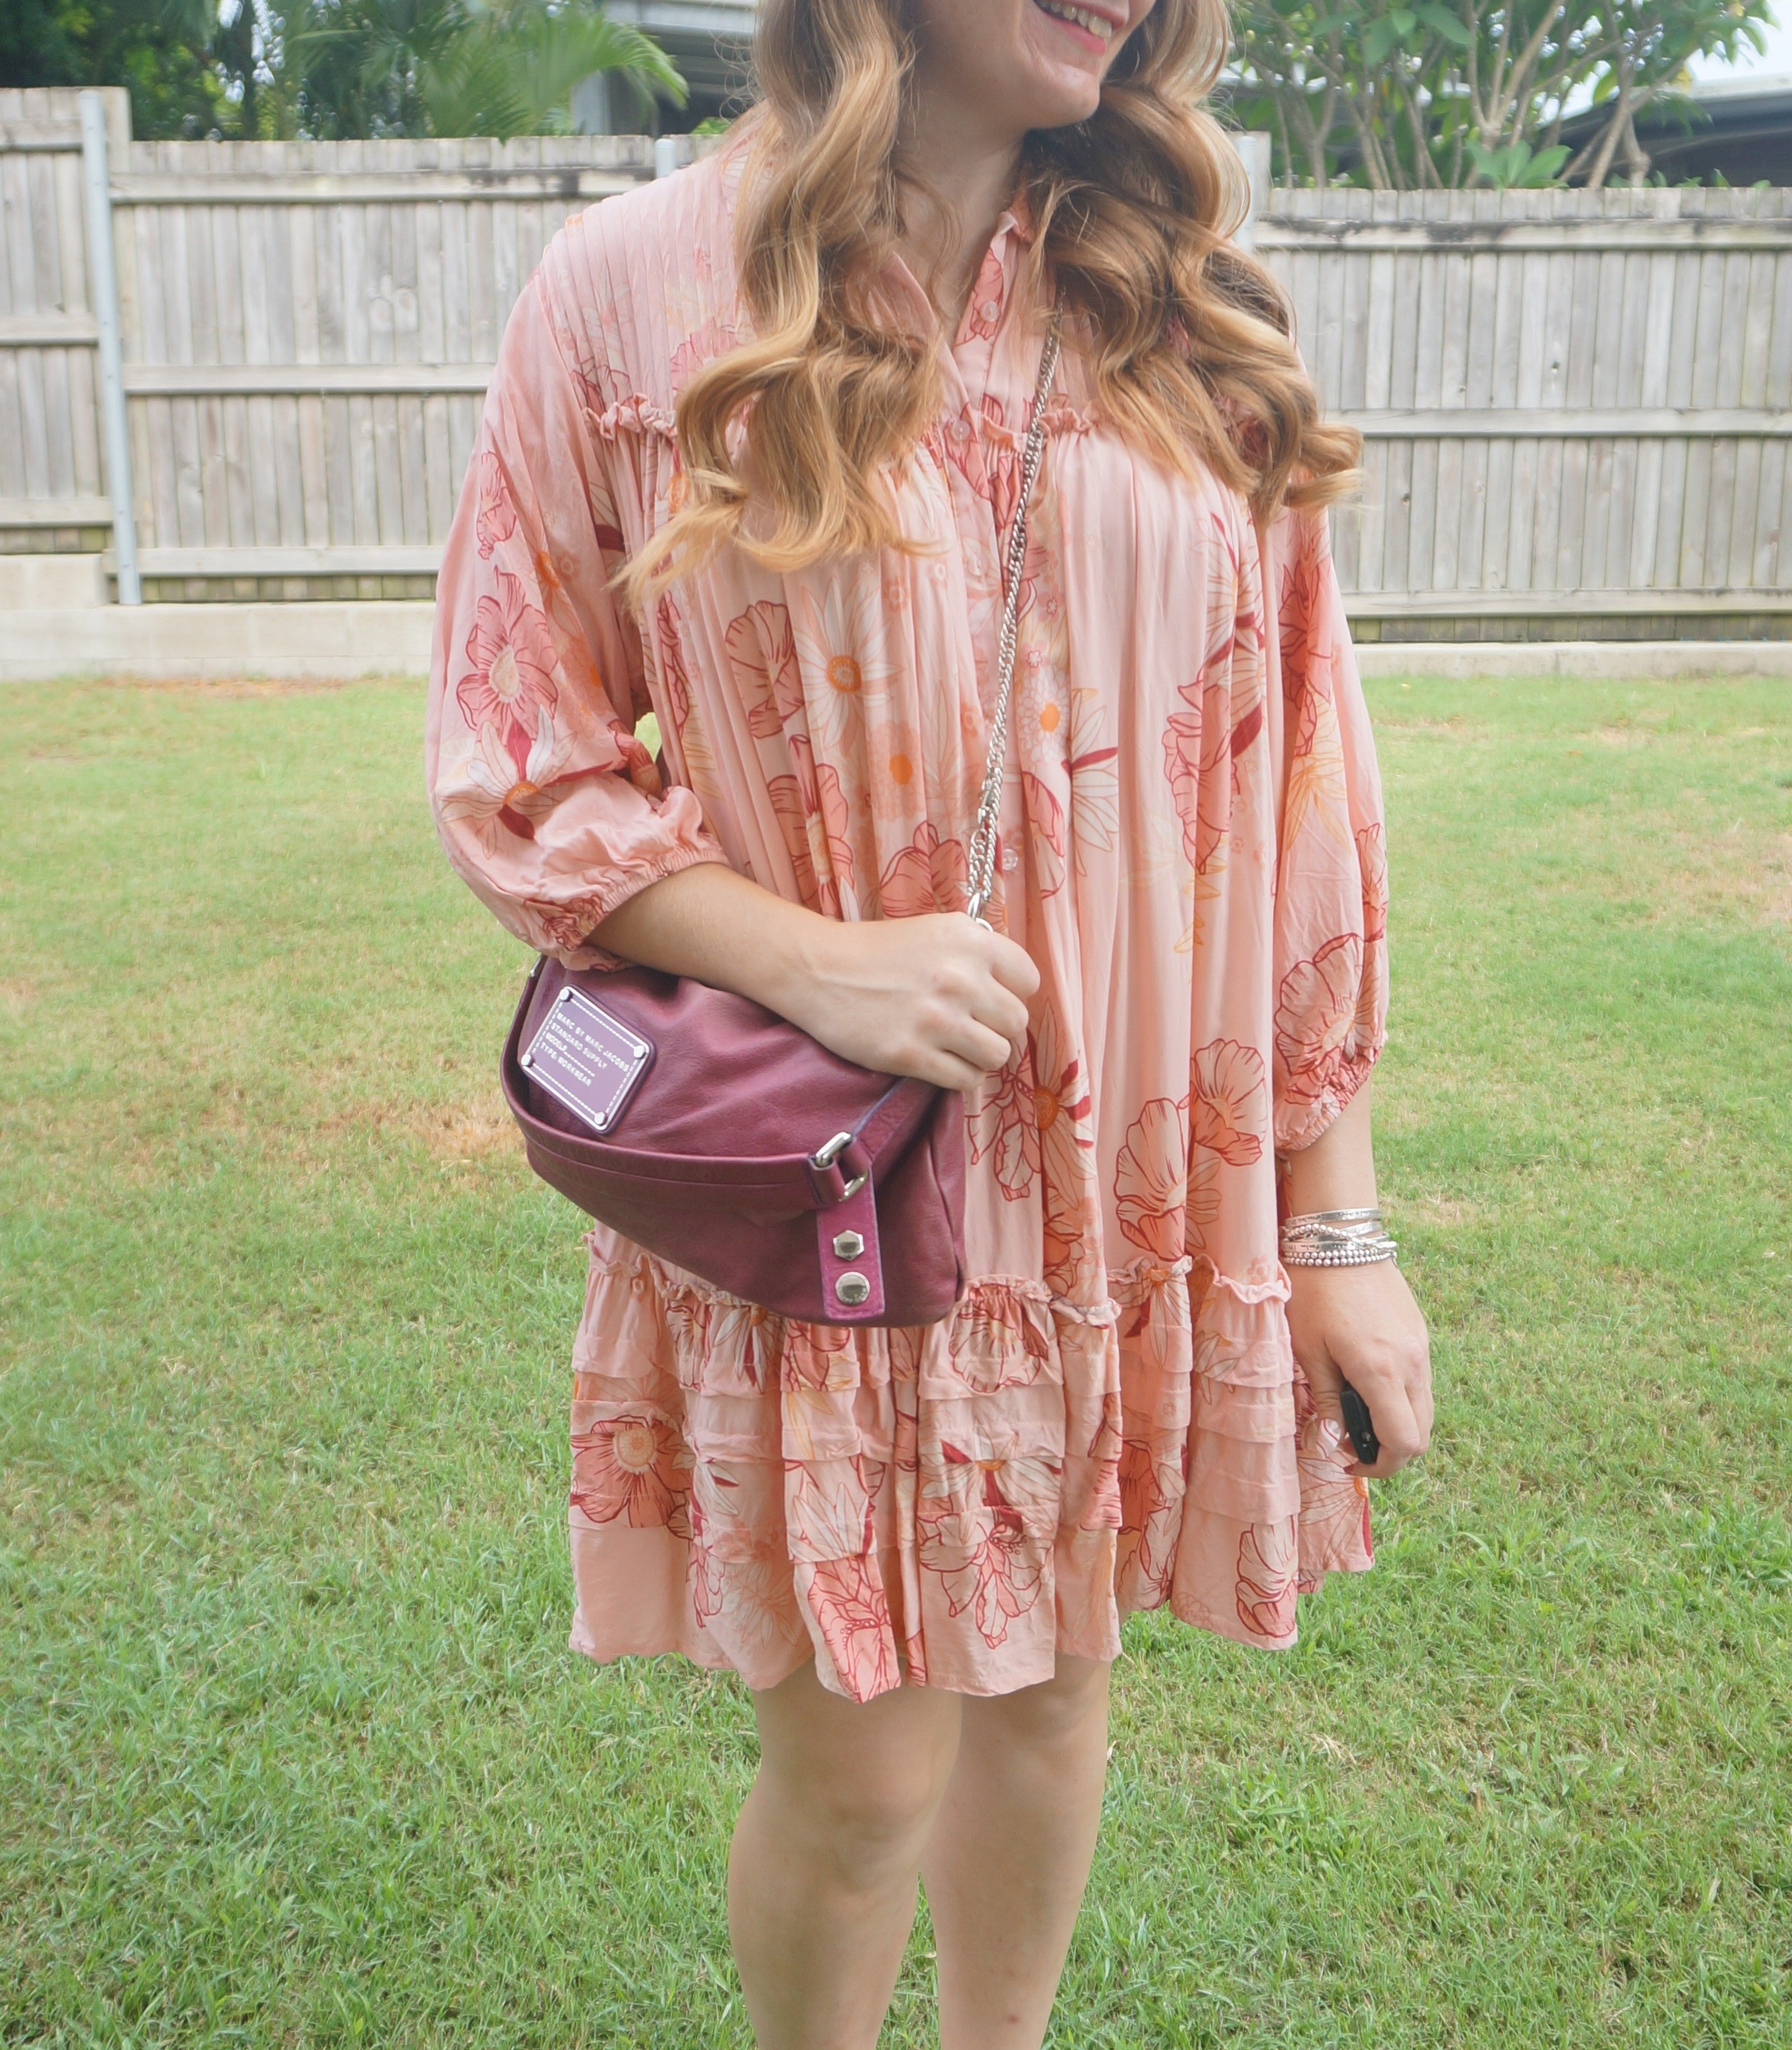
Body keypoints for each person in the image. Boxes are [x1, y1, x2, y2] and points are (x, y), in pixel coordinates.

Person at [425, 0, 1432, 2039]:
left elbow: (1298, 787)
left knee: (1058, 1694)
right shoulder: (635, 299)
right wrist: (809, 956)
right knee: (864, 1770)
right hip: (848, 1185)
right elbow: (519, 752)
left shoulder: (1192, 317)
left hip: (1131, 1169)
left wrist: (1337, 1228)